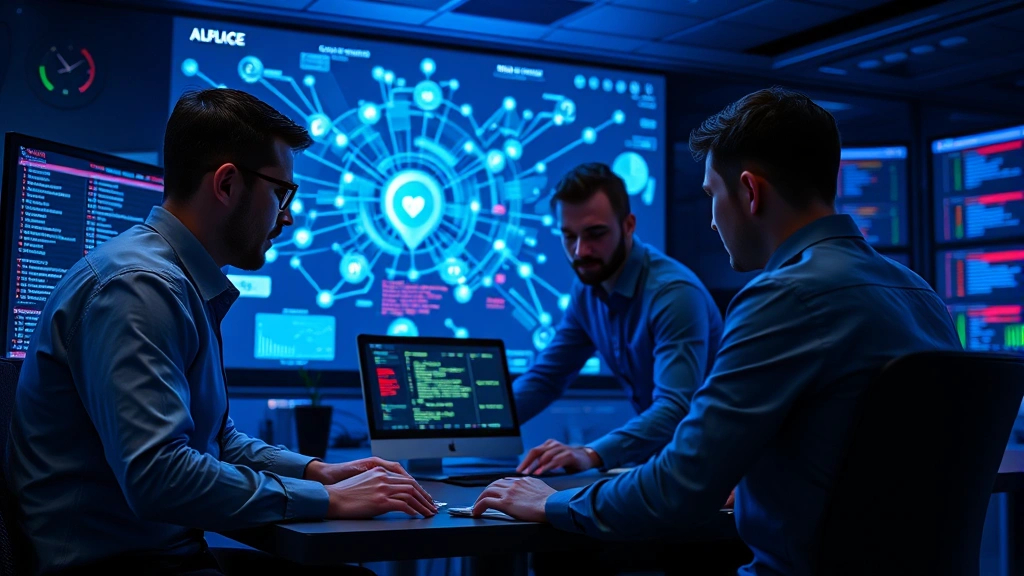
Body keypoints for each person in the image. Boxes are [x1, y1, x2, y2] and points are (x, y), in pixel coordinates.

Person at [472, 87, 963, 575]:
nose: (711, 221)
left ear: (750, 192)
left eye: (712, 195)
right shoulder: (921, 295)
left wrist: (551, 503)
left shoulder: (781, 297)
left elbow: (678, 488)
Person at [6, 88, 437, 576]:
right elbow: (160, 475)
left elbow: (213, 439)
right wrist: (326, 500)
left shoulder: (173, 279)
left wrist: (318, 472)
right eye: (281, 193)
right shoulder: (140, 289)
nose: (288, 216)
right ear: (227, 184)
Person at [512, 162, 723, 477]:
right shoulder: (588, 288)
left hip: (721, 472)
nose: (580, 251)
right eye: (569, 236)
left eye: (595, 234)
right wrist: (470, 424)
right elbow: (546, 379)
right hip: (668, 467)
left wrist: (590, 453)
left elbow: (675, 408)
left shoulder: (673, 294)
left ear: (628, 225)